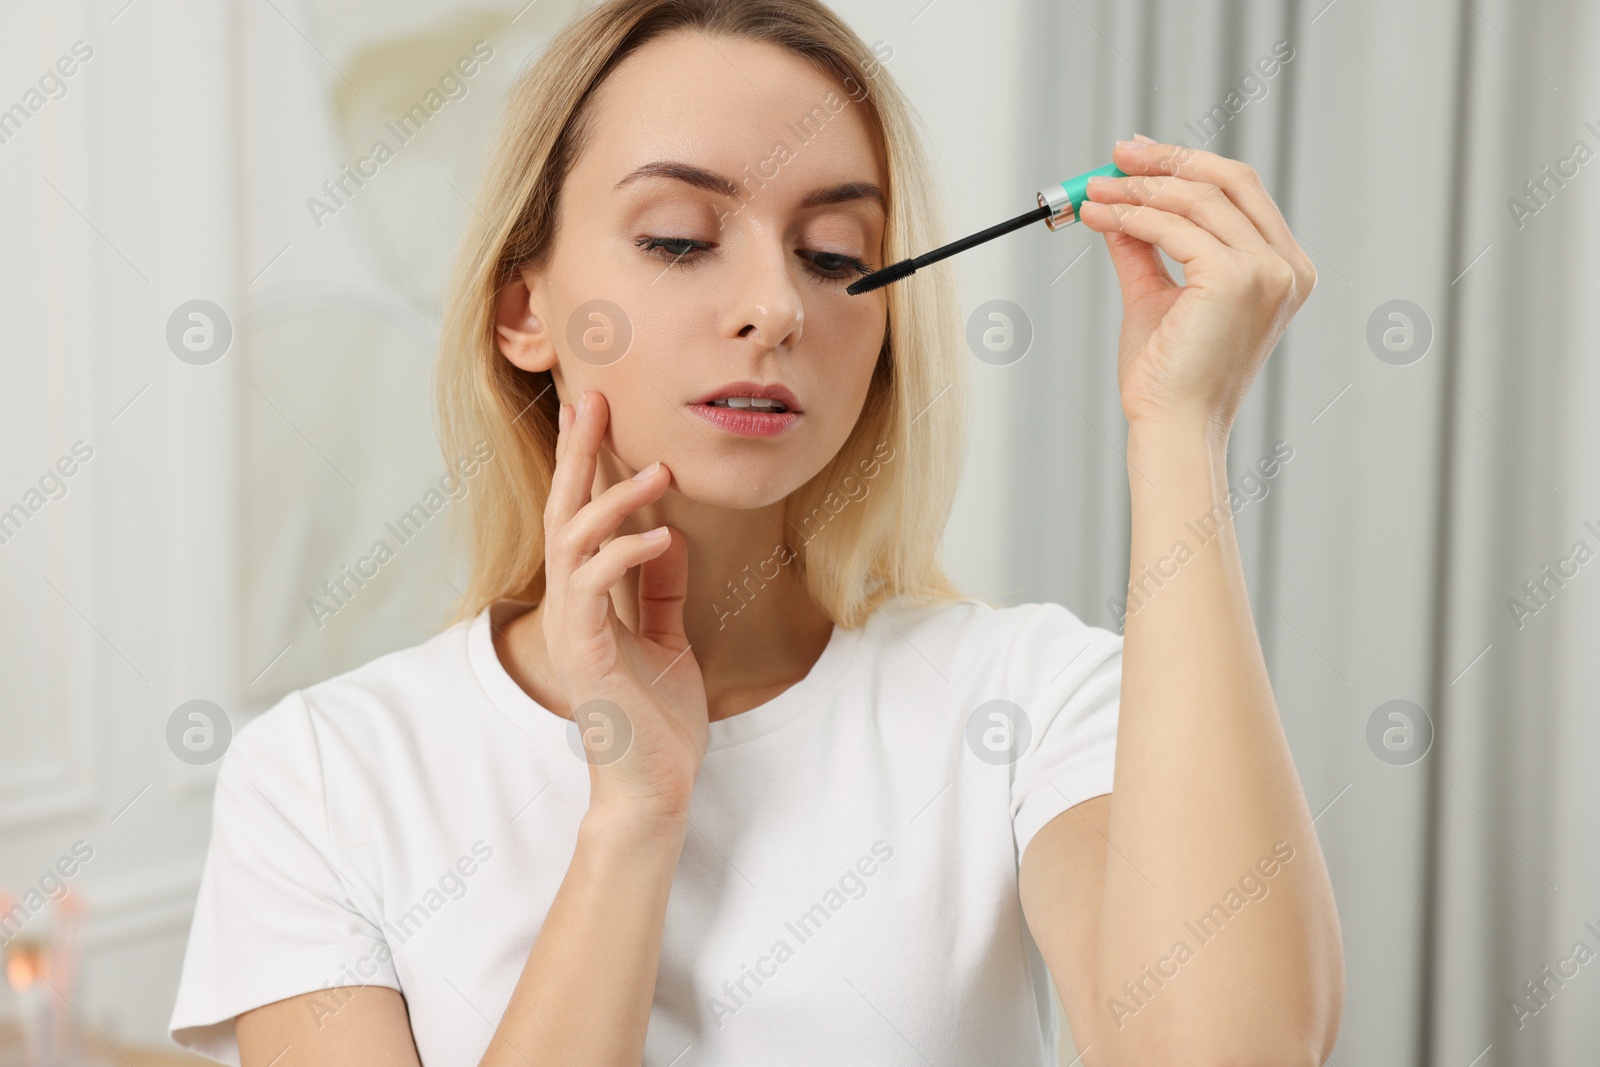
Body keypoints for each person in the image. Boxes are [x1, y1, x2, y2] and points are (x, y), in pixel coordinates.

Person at [168, 0, 1344, 1063]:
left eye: (836, 255)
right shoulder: (321, 774)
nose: (777, 307)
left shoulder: (1030, 699)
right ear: (523, 309)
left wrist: (1177, 432)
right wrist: (633, 820)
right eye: (678, 238)